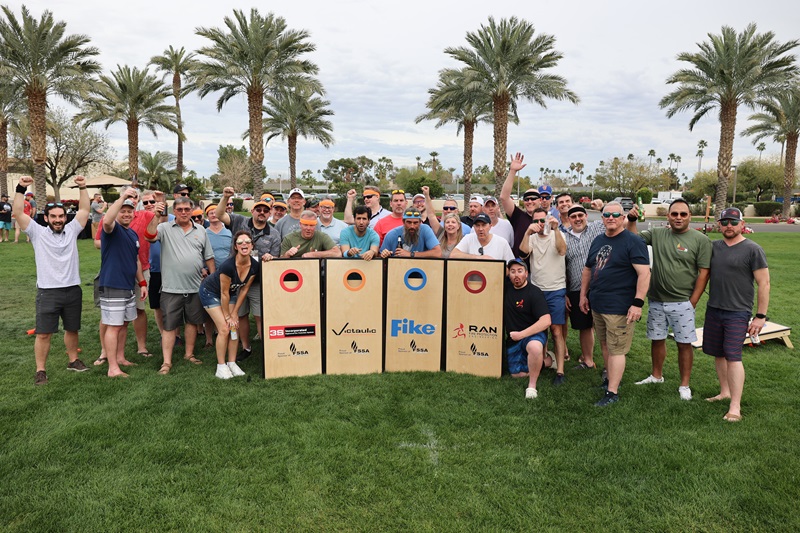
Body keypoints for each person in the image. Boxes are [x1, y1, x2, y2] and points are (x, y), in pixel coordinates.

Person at [629, 199, 712, 400]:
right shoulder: (657, 234)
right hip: (656, 300)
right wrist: (631, 220)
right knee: (657, 340)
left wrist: (692, 301)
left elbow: (704, 273)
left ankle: (684, 385)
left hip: (682, 302)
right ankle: (656, 376)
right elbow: (633, 240)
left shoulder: (700, 240)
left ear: (690, 217)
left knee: (684, 344)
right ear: (668, 216)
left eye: (683, 214)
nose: (678, 218)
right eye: (674, 214)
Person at [13, 175, 91, 385]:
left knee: (72, 328)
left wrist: (82, 187)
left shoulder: (72, 230)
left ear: (65, 217)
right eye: (54, 216)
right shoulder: (37, 233)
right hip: (48, 291)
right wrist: (21, 187)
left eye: (61, 216)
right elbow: (18, 212)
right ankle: (41, 370)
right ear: (46, 218)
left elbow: (84, 210)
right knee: (44, 333)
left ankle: (73, 361)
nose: (58, 219)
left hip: (72, 289)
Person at [580, 202, 650, 406]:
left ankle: (612, 392)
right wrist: (583, 295)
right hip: (598, 304)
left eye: (615, 215)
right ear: (601, 218)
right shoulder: (598, 240)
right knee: (605, 344)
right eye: (606, 214)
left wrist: (637, 303)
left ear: (622, 218)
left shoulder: (633, 241)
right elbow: (587, 269)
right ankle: (610, 379)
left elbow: (644, 273)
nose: (610, 218)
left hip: (619, 306)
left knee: (617, 349)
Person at [703, 208, 770, 422]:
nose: (729, 226)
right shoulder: (714, 247)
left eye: (733, 221)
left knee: (733, 356)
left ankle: (735, 406)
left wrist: (760, 316)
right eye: (725, 222)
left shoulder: (753, 249)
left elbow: (764, 283)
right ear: (719, 225)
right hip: (714, 309)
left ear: (742, 224)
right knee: (719, 353)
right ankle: (724, 392)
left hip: (738, 312)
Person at [145, 195, 216, 375]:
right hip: (171, 288)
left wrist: (213, 278)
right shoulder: (164, 227)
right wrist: (156, 215)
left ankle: (189, 354)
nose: (184, 212)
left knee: (192, 322)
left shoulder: (201, 230)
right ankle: (166, 362)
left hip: (194, 287)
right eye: (180, 209)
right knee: (169, 326)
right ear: (174, 211)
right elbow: (149, 236)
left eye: (187, 209)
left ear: (192, 211)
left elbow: (208, 256)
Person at [216, 188, 280, 359]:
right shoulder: (239, 221)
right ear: (252, 210)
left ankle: (267, 350)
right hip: (236, 281)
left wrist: (271, 257)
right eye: (258, 209)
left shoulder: (274, 234)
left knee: (260, 316)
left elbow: (276, 257)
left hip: (258, 282)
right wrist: (226, 197)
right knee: (240, 315)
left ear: (270, 213)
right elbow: (219, 213)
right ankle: (246, 348)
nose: (262, 212)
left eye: (266, 210)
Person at [98, 189, 149, 378]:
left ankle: (120, 358)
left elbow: (136, 261)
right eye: (123, 211)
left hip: (128, 286)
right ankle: (112, 368)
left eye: (129, 211)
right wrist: (121, 198)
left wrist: (142, 282)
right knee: (113, 326)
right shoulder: (112, 229)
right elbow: (107, 220)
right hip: (113, 284)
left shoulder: (133, 234)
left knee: (124, 323)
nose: (126, 214)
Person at [199, 230, 260, 379]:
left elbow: (244, 290)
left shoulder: (255, 266)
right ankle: (221, 366)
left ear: (252, 245)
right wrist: (227, 315)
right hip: (210, 292)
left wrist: (234, 314)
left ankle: (232, 363)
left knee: (234, 325)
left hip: (232, 293)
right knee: (225, 328)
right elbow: (223, 293)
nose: (244, 244)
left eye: (247, 242)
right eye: (240, 242)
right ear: (235, 246)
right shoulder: (228, 266)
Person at [519, 207, 568, 386]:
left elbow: (562, 251)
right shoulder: (531, 237)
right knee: (539, 329)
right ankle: (544, 361)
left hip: (555, 288)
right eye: (536, 221)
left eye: (542, 220)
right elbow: (523, 253)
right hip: (536, 289)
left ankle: (561, 371)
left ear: (548, 220)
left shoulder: (559, 234)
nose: (540, 224)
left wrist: (555, 230)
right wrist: (527, 232)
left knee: (556, 330)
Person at [503, 258, 554, 399]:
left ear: (526, 273)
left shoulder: (534, 292)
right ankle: (543, 362)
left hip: (533, 334)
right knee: (517, 375)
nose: (516, 275)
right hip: (514, 338)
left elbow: (546, 321)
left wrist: (522, 334)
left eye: (520, 271)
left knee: (534, 347)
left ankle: (532, 386)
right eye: (512, 272)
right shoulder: (504, 289)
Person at [562, 205, 605, 369]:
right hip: (576, 288)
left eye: (581, 215)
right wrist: (565, 293)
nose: (578, 219)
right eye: (574, 216)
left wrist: (601, 207)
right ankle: (588, 360)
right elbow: (562, 267)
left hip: (600, 286)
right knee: (584, 326)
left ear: (586, 216)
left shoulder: (596, 228)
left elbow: (610, 217)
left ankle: (609, 363)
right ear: (569, 219)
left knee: (604, 326)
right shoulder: (564, 237)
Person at [500, 153, 541, 259]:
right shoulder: (518, 216)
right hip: (519, 267)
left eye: (533, 198)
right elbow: (504, 197)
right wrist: (512, 171)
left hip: (539, 268)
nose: (530, 201)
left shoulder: (546, 219)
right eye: (526, 199)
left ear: (540, 200)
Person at [205, 204, 232, 269]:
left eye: (216, 213)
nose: (214, 215)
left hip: (229, 270)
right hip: (209, 272)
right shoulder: (204, 233)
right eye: (211, 213)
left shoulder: (230, 232)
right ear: (207, 217)